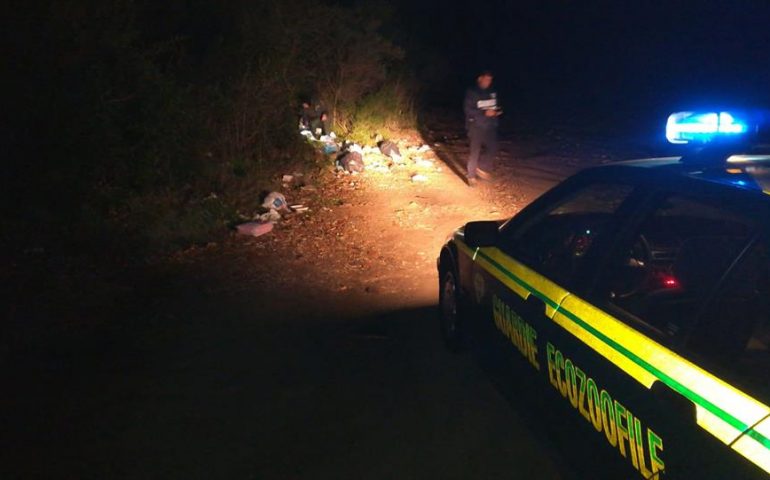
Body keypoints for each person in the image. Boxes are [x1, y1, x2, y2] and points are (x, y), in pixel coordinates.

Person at [464, 70, 501, 184]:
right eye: (486, 79)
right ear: (480, 79)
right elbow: (468, 110)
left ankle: (482, 167)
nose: (488, 82)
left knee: (493, 148)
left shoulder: (492, 91)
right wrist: (484, 113)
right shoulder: (472, 92)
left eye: (490, 80)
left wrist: (496, 112)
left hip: (490, 125)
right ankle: (471, 176)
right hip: (476, 125)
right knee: (475, 151)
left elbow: (494, 106)